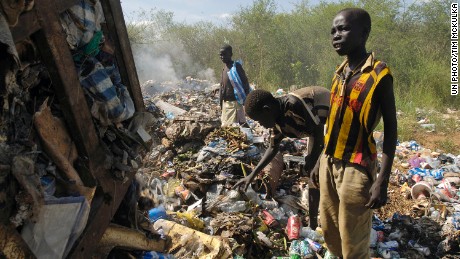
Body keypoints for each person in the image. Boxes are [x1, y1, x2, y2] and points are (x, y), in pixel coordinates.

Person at [316, 8, 397, 258]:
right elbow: (332, 121)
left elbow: (392, 130)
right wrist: (320, 159)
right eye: (333, 31)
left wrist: (382, 180)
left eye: (343, 29)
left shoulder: (379, 74)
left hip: (357, 166)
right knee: (330, 230)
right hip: (329, 162)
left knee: (353, 241)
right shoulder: (338, 73)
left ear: (364, 33)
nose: (336, 36)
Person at [233, 86, 330, 229]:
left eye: (260, 121)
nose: (261, 125)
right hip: (315, 129)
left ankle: (329, 215)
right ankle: (313, 222)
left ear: (267, 110)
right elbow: (273, 148)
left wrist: (313, 159)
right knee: (313, 174)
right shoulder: (276, 119)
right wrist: (251, 175)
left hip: (330, 118)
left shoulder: (293, 106)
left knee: (321, 168)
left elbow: (318, 133)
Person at [218, 44, 251, 126]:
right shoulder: (224, 68)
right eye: (220, 55)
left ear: (231, 54)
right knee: (231, 126)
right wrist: (220, 102)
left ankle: (247, 136)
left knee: (235, 126)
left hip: (236, 103)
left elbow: (245, 82)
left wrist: (246, 101)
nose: (222, 57)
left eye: (224, 54)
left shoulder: (236, 67)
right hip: (227, 104)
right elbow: (222, 86)